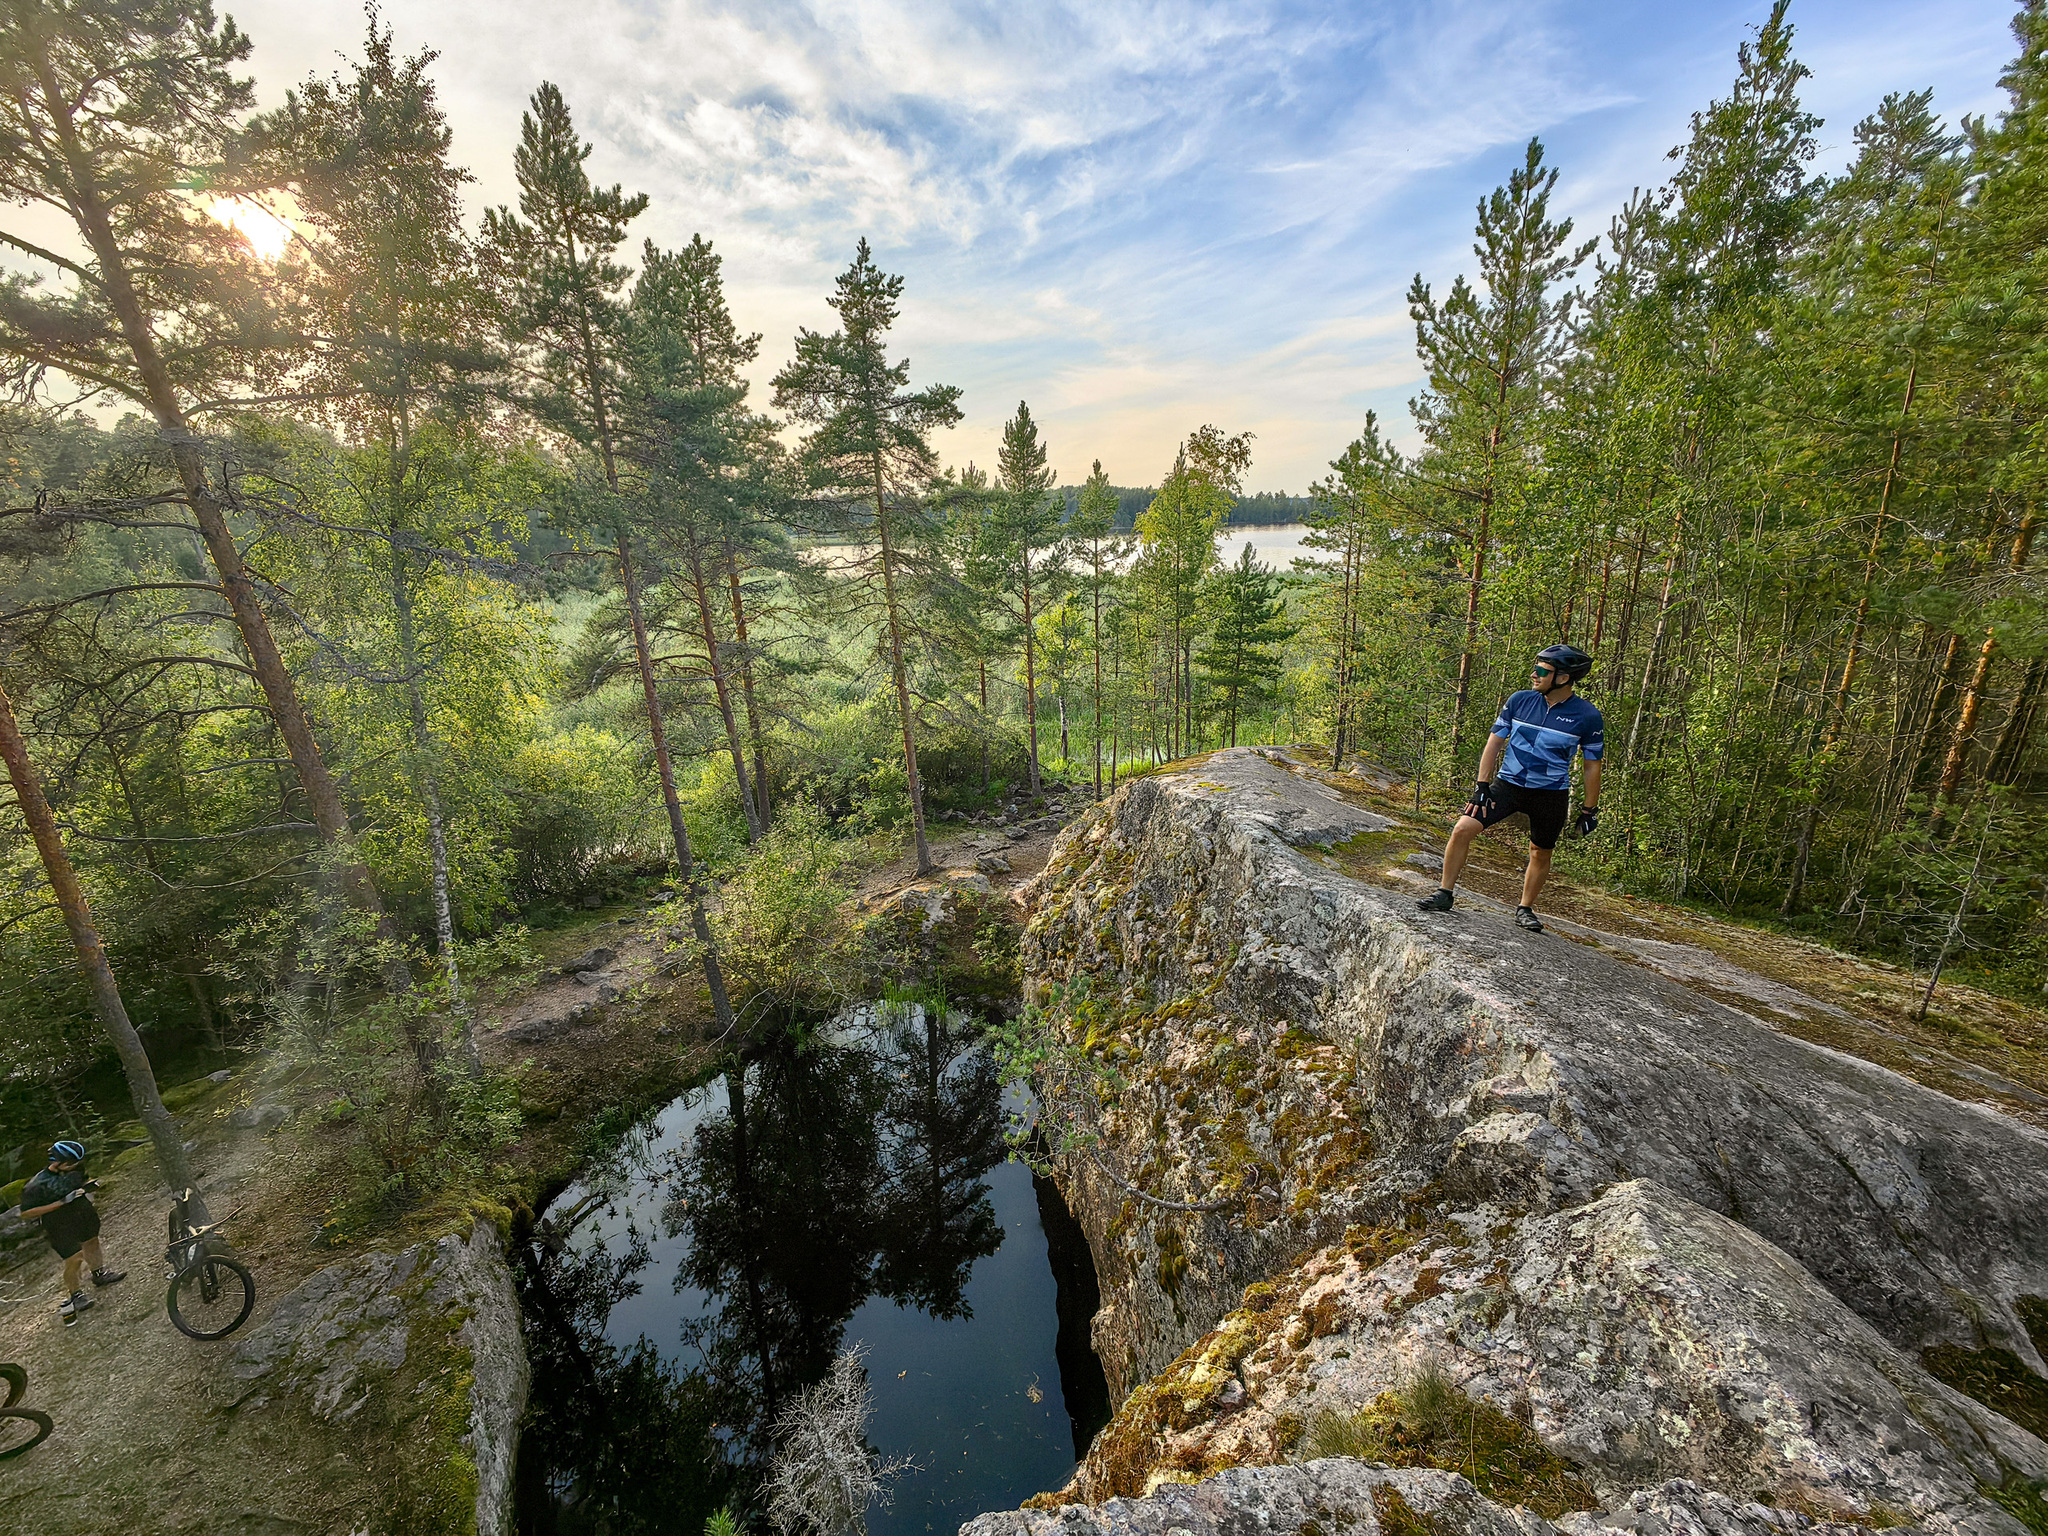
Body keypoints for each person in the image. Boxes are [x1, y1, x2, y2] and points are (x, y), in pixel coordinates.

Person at [1415, 644, 1603, 933]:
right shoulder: (1520, 701)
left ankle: (1525, 908)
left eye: (1542, 670)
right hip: (1508, 786)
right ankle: (1444, 893)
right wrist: (1482, 784)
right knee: (1463, 829)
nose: (1534, 674)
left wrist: (1589, 809)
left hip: (1551, 794)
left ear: (1563, 678)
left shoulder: (1587, 716)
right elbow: (1494, 743)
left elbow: (1592, 765)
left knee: (1541, 852)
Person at [18, 1140, 124, 1323]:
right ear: (58, 1162)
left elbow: (82, 1180)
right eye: (72, 1163)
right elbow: (26, 1213)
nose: (76, 1165)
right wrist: (60, 1203)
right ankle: (76, 1295)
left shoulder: (75, 1168)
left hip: (82, 1213)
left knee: (92, 1242)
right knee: (74, 1258)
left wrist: (90, 1186)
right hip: (58, 1224)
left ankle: (99, 1274)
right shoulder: (36, 1185)